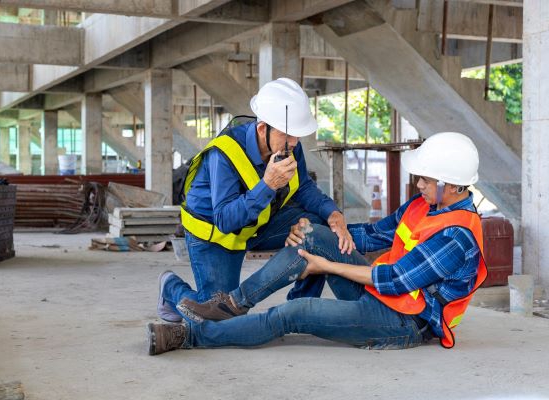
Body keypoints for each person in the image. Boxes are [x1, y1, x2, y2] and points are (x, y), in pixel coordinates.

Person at [148, 131, 488, 355]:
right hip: (383, 294)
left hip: (404, 321)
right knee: (312, 234)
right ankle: (234, 303)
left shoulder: (457, 235)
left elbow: (396, 279)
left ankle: (192, 336)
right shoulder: (423, 205)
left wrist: (323, 265)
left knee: (294, 314)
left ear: (452, 185)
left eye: (426, 180)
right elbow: (372, 235)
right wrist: (323, 228)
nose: (419, 185)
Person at [157, 78, 353, 323]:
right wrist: (268, 184)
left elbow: (303, 187)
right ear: (263, 129)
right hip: (216, 234)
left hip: (257, 224)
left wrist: (333, 213)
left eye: (298, 136)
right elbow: (225, 220)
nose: (294, 142)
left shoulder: (289, 145)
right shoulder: (224, 154)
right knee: (218, 316)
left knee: (317, 229)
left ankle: (299, 306)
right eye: (288, 134)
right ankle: (170, 287)